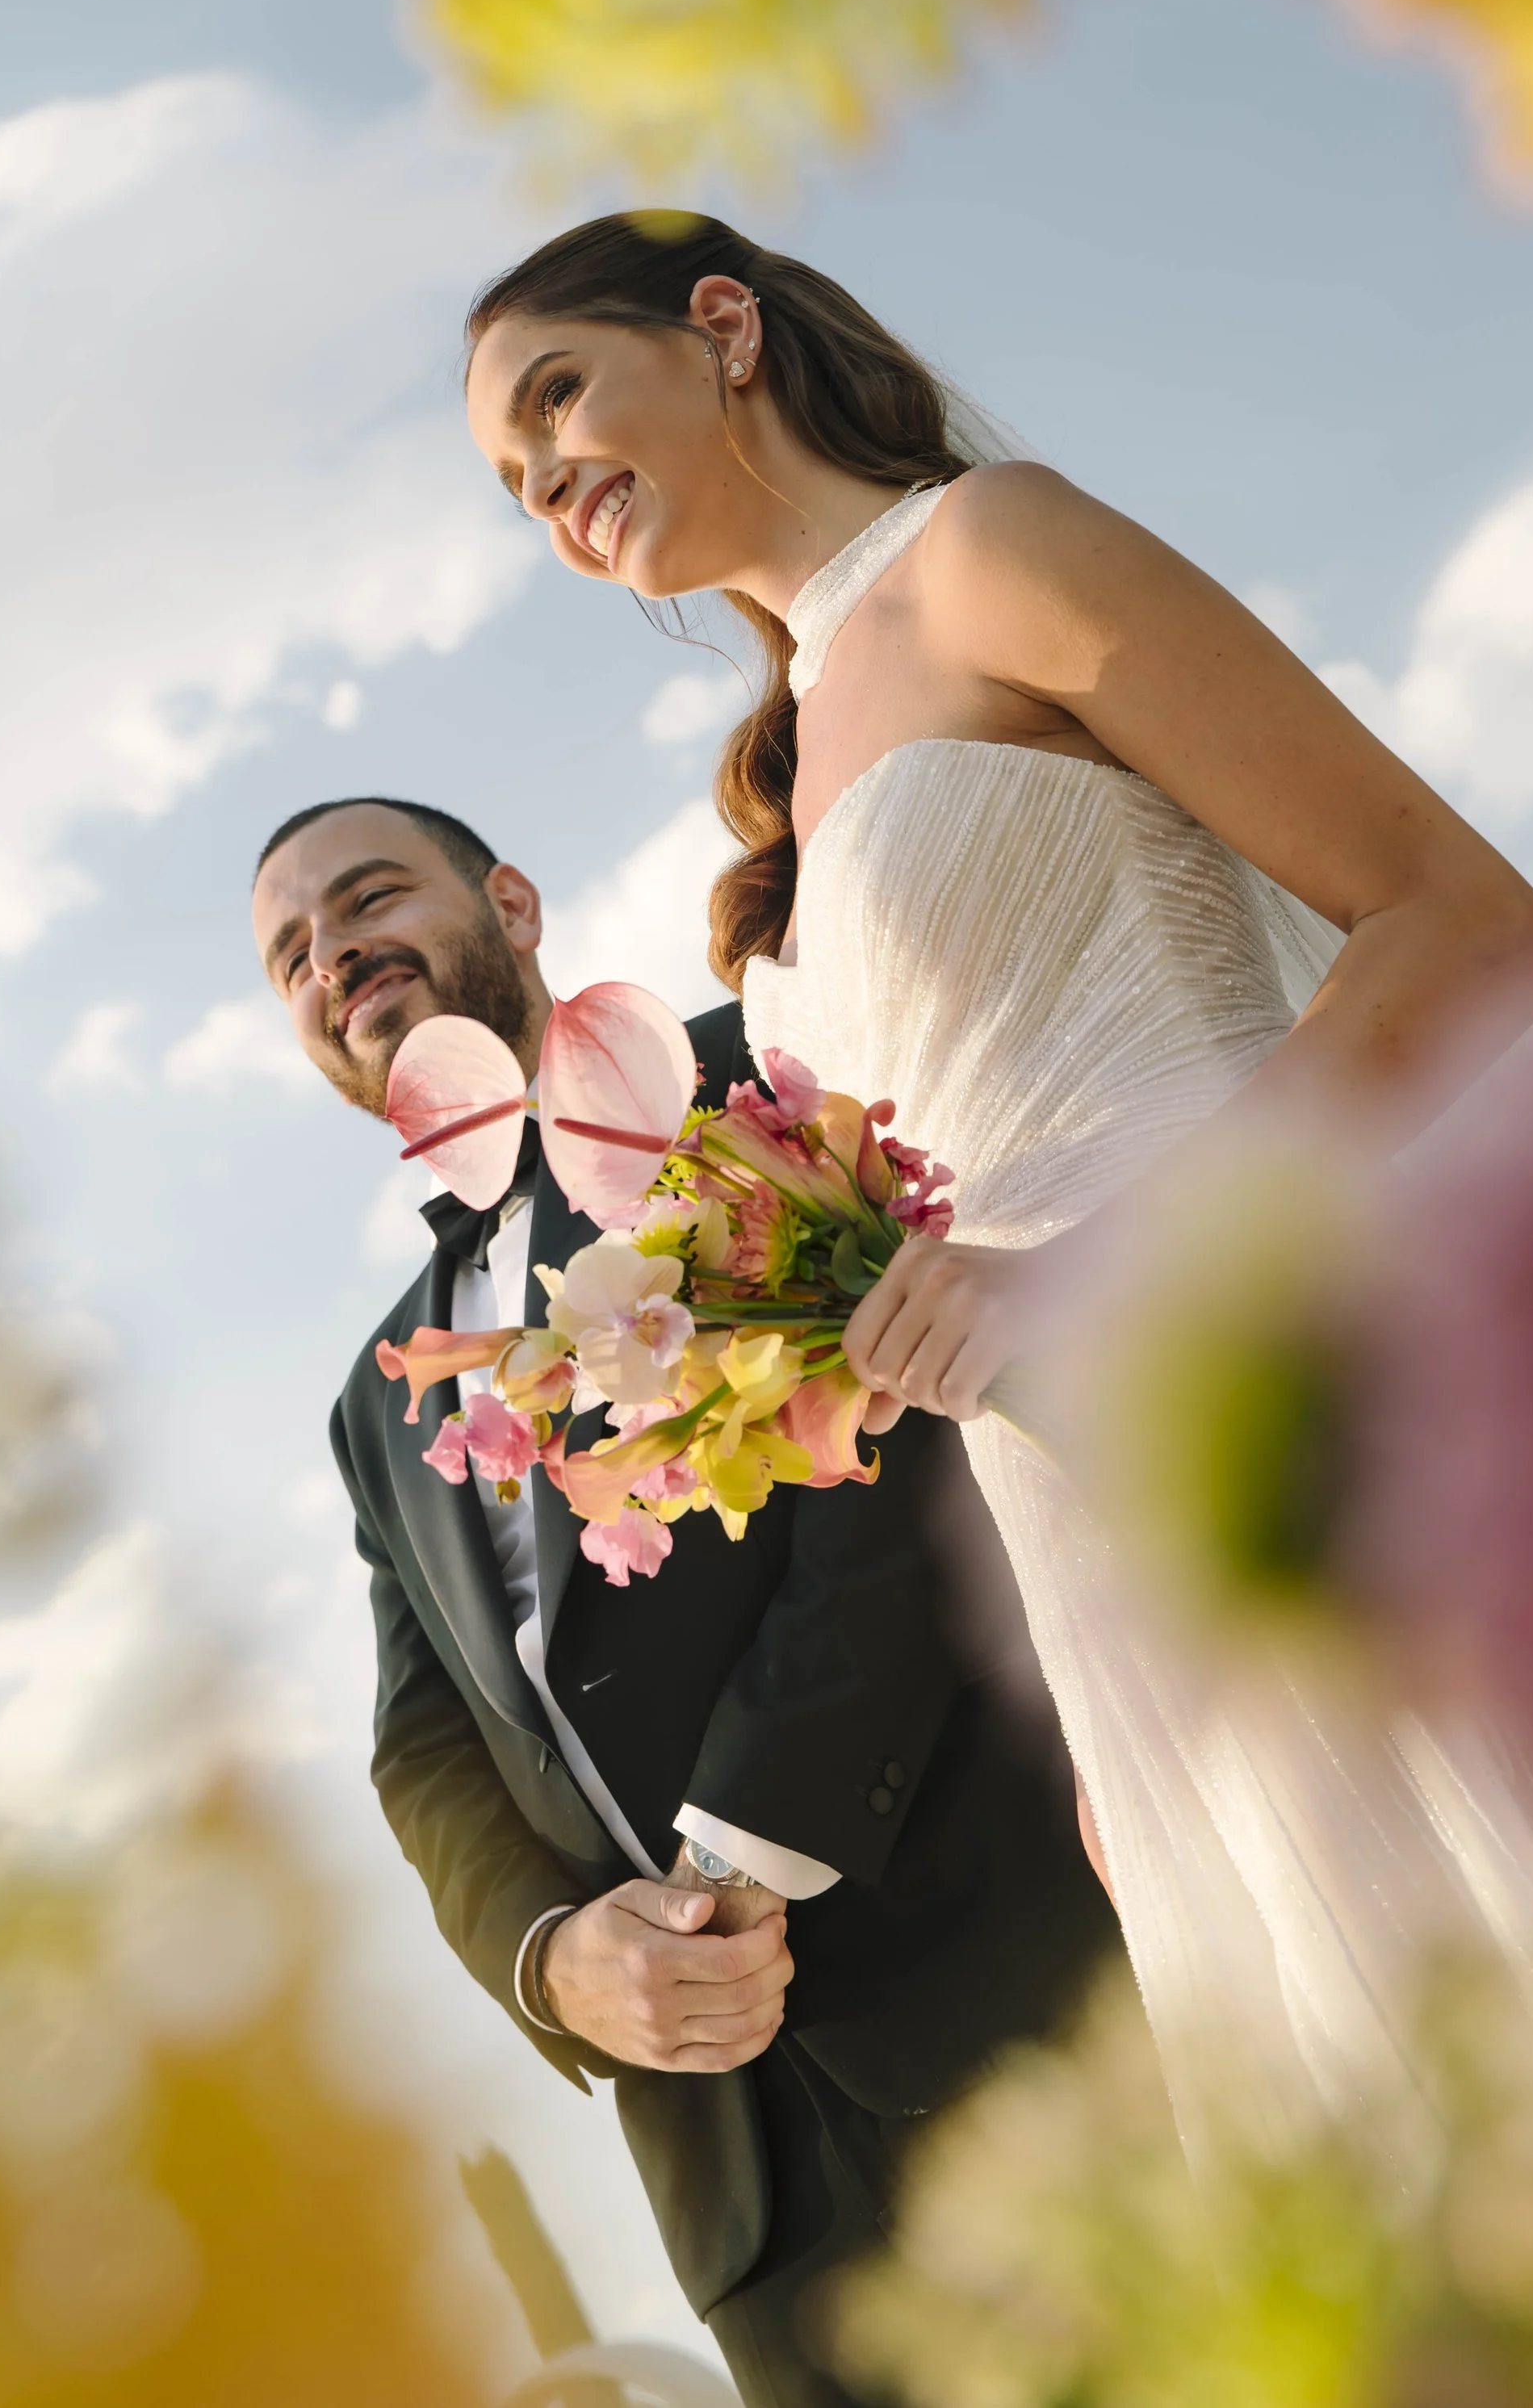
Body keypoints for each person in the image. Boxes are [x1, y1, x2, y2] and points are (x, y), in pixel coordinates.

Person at [460, 211, 1533, 2166]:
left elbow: (1463, 923)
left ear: (721, 327)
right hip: (1100, 1537)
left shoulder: (992, 548)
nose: (547, 486)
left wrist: (1105, 1277)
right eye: (513, 482)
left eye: (555, 396)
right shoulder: (786, 783)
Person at [253, 795, 1115, 2408]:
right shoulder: (375, 1405)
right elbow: (424, 1754)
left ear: (509, 901)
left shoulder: (734, 1082)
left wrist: (735, 1858)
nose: (334, 954)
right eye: (290, 954)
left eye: (369, 897)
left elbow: (911, 1445)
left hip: (1011, 1993)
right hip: (748, 2199)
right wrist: (556, 1960)